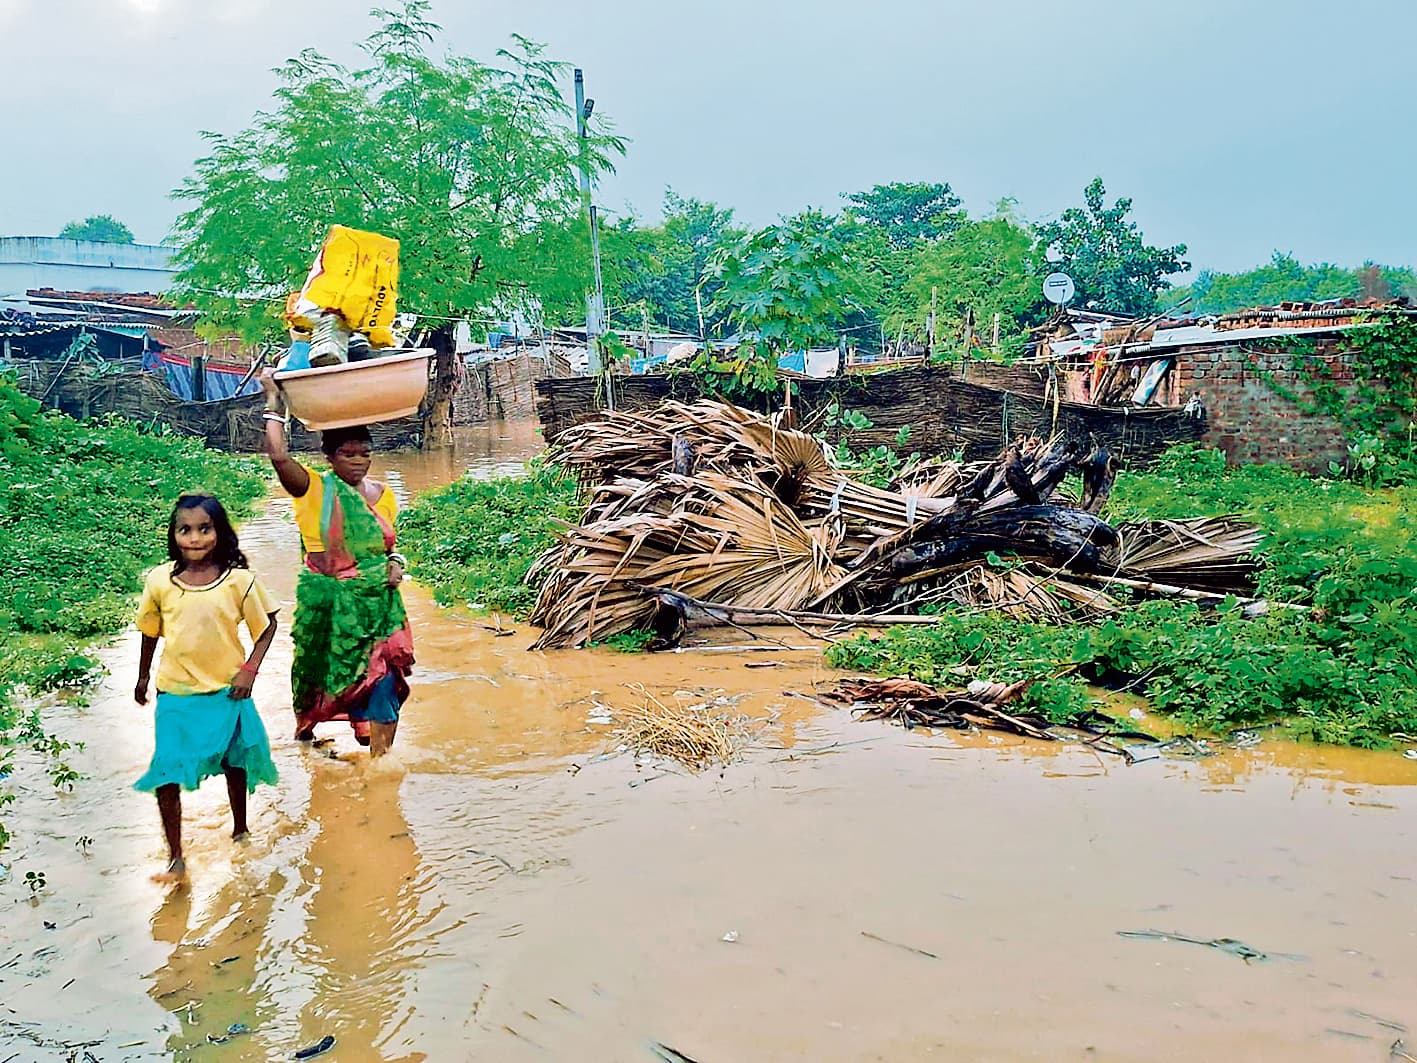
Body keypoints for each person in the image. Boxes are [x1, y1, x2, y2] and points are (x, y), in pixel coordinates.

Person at [259, 372, 414, 756]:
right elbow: (278, 456)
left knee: (383, 679)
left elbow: (386, 546)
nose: (359, 462)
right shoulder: (313, 489)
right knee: (319, 675)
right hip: (328, 607)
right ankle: (307, 741)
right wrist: (273, 403)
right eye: (348, 454)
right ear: (329, 457)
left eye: (365, 453)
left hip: (378, 606)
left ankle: (381, 768)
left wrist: (397, 562)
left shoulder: (384, 495)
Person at [134, 495, 280, 884]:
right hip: (175, 693)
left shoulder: (238, 582)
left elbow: (267, 626)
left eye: (204, 529)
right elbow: (150, 632)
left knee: (234, 762)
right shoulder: (159, 581)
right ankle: (176, 859)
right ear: (174, 534)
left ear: (219, 533)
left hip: (227, 692)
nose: (195, 538)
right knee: (166, 770)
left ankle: (240, 829)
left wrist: (249, 670)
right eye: (185, 530)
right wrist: (143, 678)